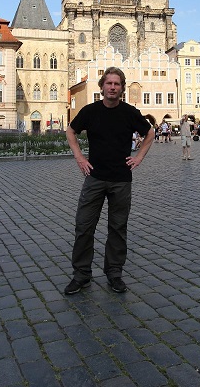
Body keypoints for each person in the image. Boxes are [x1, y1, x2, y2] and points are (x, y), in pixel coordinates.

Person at [63, 67, 154, 295]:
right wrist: (79, 158)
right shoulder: (90, 111)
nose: (112, 87)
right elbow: (70, 131)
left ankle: (114, 273)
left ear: (122, 88)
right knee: (84, 226)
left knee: (118, 228)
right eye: (109, 83)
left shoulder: (130, 112)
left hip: (121, 180)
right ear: (102, 86)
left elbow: (149, 132)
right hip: (94, 177)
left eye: (117, 84)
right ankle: (81, 275)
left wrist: (139, 157)